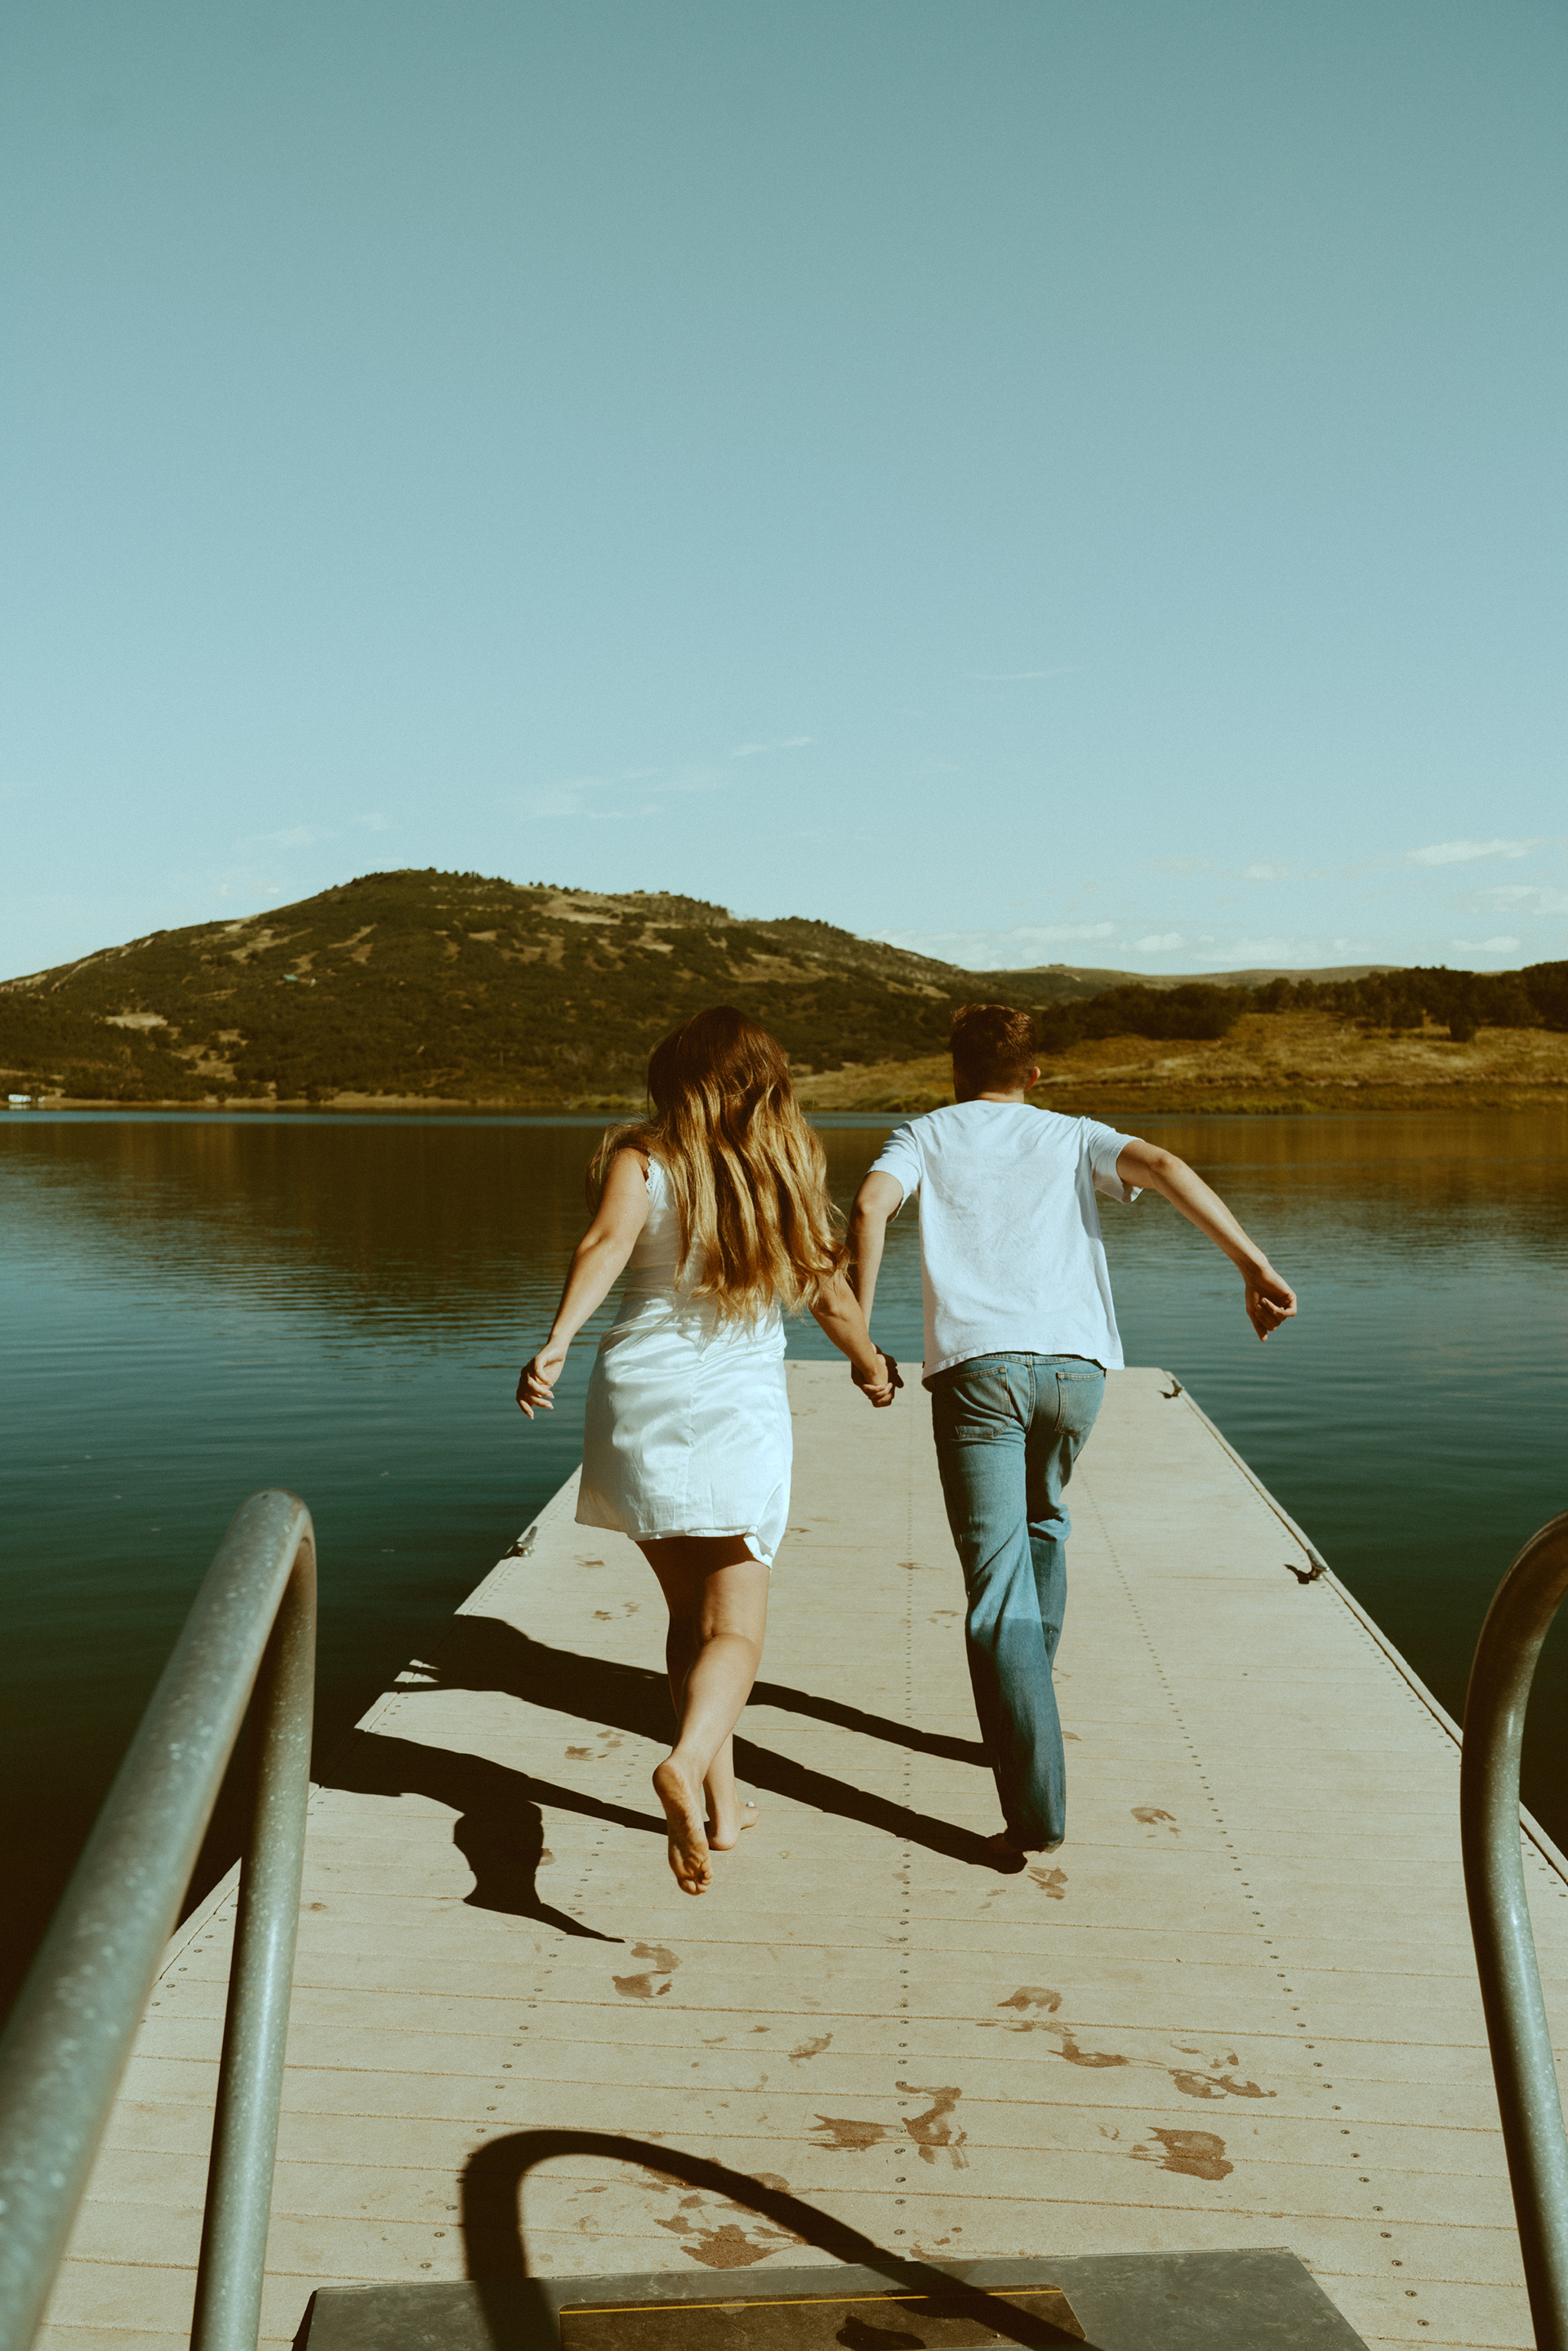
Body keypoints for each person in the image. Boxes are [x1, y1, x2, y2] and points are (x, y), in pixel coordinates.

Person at [848, 1002, 1295, 1863]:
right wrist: (1254, 1265)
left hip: (979, 1371)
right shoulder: (1069, 1132)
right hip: (1076, 1371)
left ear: (954, 1068)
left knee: (994, 1586)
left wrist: (864, 1338)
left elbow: (870, 1206)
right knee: (1044, 1520)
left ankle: (1034, 1803)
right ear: (1035, 1073)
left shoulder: (926, 1133)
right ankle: (1028, 1708)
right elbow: (1162, 1163)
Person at [518, 1005, 898, 1897]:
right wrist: (873, 1365)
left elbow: (604, 1244)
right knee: (737, 1625)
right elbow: (828, 1293)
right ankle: (686, 1765)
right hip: (734, 1402)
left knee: (688, 1615)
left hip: (638, 1390)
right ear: (766, 1082)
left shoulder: (640, 1157)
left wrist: (557, 1339)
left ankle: (726, 1815)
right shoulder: (785, 1169)